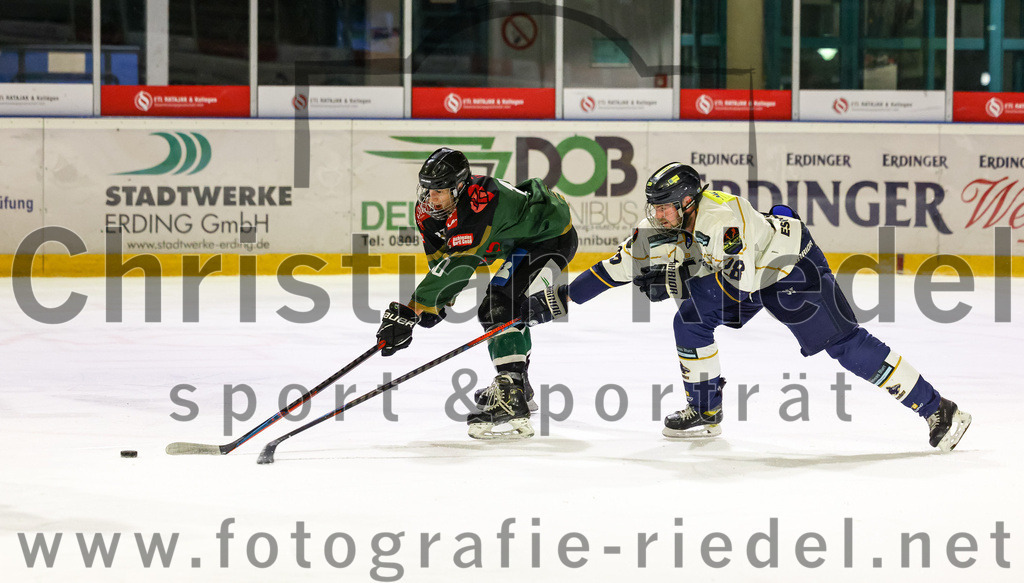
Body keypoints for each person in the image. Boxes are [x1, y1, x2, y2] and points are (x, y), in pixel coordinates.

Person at [525, 162, 971, 452]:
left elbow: (735, 290)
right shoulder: (657, 226)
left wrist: (674, 279)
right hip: (745, 277)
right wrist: (556, 300)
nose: (656, 215)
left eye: (664, 208)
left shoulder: (725, 217)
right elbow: (613, 269)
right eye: (654, 208)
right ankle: (706, 411)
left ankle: (939, 408)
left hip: (790, 267)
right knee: (690, 325)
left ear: (687, 202)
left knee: (846, 346)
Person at [376, 147, 577, 440]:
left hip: (550, 238)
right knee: (503, 307)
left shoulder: (480, 202)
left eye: (440, 192)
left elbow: (460, 263)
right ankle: (518, 386)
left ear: (460, 187)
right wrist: (435, 305)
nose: (432, 199)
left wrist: (412, 309)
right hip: (520, 243)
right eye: (428, 191)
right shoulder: (427, 212)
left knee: (499, 306)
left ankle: (510, 393)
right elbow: (442, 261)